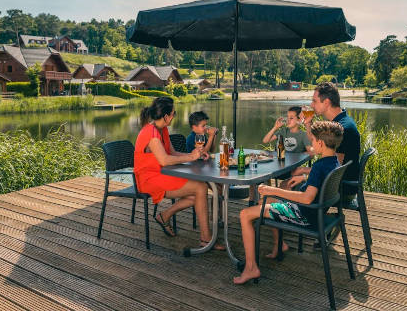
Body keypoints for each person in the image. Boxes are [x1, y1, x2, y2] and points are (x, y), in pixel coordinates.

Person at [233, 121, 344, 284]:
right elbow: (320, 183)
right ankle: (279, 245)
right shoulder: (334, 161)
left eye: (312, 141)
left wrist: (273, 190)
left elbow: (307, 198)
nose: (312, 144)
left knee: (245, 214)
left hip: (304, 215)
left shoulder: (320, 166)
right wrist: (305, 177)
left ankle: (251, 268)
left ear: (320, 143)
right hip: (315, 212)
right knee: (268, 201)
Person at [134, 97, 224, 249]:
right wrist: (191, 157)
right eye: (173, 113)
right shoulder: (151, 133)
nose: (174, 116)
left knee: (197, 194)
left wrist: (196, 155)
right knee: (200, 188)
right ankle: (206, 239)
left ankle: (164, 216)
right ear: (166, 116)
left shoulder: (162, 129)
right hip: (149, 179)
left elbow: (173, 153)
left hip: (161, 173)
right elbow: (164, 160)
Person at [300, 82, 361, 202]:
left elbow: (333, 171)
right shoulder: (340, 122)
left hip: (340, 191)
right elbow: (317, 146)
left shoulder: (342, 129)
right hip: (337, 185)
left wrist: (303, 172)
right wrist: (308, 123)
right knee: (292, 183)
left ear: (326, 102)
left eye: (314, 101)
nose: (311, 105)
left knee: (287, 185)